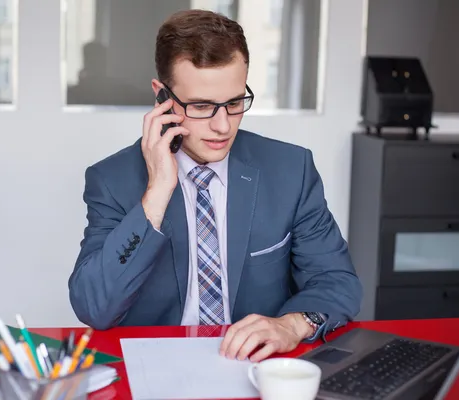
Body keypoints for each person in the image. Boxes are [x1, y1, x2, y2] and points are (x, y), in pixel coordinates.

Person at [68, 9, 363, 362]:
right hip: (158, 367)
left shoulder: (290, 170)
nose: (223, 125)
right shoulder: (112, 179)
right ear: (161, 96)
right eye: (202, 106)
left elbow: (337, 280)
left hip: (257, 367)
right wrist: (157, 193)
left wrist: (292, 325)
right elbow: (94, 307)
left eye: (235, 103)